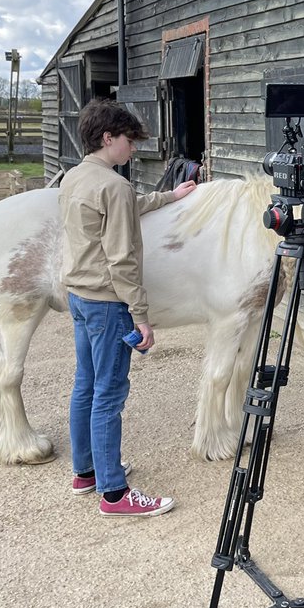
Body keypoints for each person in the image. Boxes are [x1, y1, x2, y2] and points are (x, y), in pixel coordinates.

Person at [60, 98, 197, 517]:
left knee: (86, 384)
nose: (133, 148)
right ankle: (114, 494)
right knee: (109, 394)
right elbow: (122, 259)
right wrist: (141, 316)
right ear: (108, 138)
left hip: (79, 297)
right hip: (107, 304)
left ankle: (86, 472)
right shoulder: (113, 186)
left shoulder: (75, 177)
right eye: (129, 140)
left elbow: (127, 205)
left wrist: (170, 195)